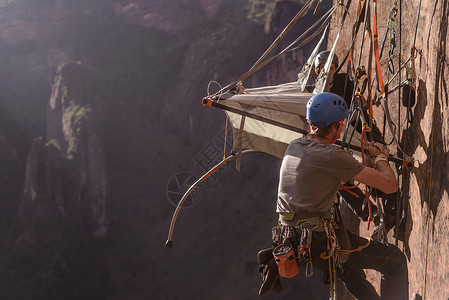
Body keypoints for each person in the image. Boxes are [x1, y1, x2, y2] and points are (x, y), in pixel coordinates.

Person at [276, 92, 409, 299]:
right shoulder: (331, 155)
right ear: (335, 126)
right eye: (341, 124)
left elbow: (318, 180)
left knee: (354, 279)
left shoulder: (295, 146)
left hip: (293, 240)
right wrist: (380, 157)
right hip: (320, 239)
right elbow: (390, 186)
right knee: (394, 261)